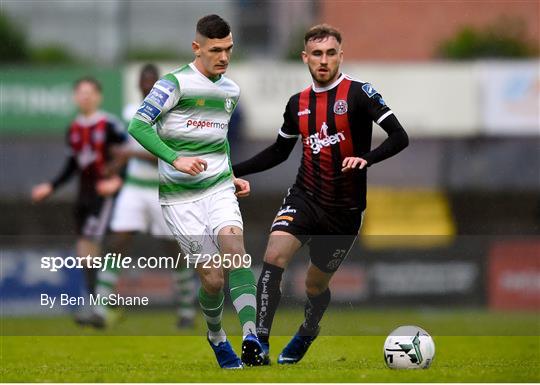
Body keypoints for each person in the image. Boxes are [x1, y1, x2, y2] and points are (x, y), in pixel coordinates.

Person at [232, 24, 409, 365]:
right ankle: (260, 345)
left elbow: (399, 137)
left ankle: (309, 329)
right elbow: (278, 152)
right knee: (274, 255)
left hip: (344, 210)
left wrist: (366, 159)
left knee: (314, 286)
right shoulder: (296, 103)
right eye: (317, 54)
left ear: (341, 55)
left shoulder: (360, 93)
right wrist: (232, 170)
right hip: (304, 197)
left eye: (330, 53)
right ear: (305, 58)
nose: (323, 61)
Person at [127, 15, 264, 369]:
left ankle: (251, 336)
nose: (223, 57)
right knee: (214, 279)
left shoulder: (231, 91)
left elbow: (219, 140)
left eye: (228, 49)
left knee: (235, 250)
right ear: (197, 48)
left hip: (218, 188)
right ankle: (217, 336)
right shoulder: (173, 84)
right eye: (215, 50)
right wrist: (176, 158)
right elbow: (138, 125)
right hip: (179, 198)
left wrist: (231, 174)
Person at [90, 64, 196, 329]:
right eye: (144, 82)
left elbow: (164, 157)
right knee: (118, 242)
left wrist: (129, 155)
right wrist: (116, 165)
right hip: (134, 188)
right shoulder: (130, 113)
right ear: (138, 85)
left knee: (174, 251)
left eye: (152, 82)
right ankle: (100, 310)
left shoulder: (170, 116)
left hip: (163, 189)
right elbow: (129, 148)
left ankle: (186, 309)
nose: (147, 86)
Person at [31, 77, 126, 320]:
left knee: (92, 244)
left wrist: (118, 180)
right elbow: (72, 165)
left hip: (103, 195)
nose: (85, 97)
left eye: (89, 92)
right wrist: (50, 186)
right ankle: (103, 303)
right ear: (75, 97)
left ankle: (99, 307)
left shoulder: (110, 125)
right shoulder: (73, 129)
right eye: (80, 93)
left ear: (98, 96)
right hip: (82, 196)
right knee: (85, 250)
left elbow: (127, 155)